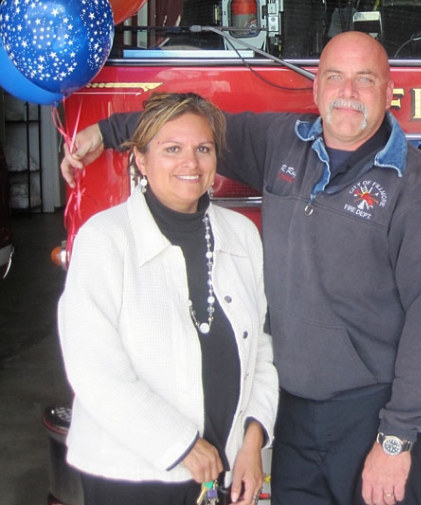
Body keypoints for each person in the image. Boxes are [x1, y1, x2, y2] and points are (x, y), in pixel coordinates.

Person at [61, 31, 421, 505]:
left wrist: (396, 439)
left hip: (369, 416)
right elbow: (191, 133)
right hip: (290, 415)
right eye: (335, 77)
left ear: (389, 90)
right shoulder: (281, 143)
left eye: (365, 79)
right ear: (316, 88)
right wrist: (108, 131)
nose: (348, 93)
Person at [58, 92, 278, 505]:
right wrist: (181, 445)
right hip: (130, 478)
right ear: (140, 159)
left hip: (222, 474)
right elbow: (94, 371)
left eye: (203, 149)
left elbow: (262, 350)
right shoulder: (104, 239)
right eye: (171, 149)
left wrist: (253, 443)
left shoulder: (242, 235)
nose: (190, 163)